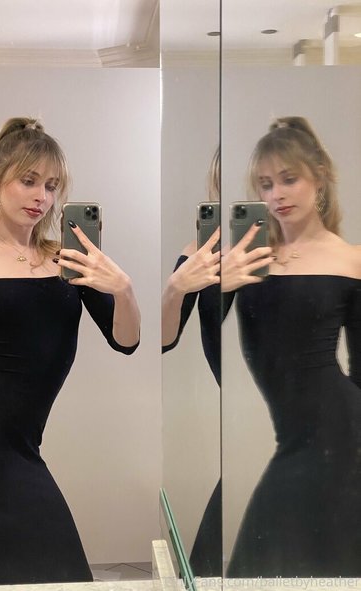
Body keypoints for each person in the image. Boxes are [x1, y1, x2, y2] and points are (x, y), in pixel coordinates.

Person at [0, 117, 141, 587]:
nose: (42, 196)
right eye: (29, 180)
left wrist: (123, 289)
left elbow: (126, 341)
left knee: (65, 578)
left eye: (52, 186)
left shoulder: (68, 260)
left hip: (21, 448)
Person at [223, 116, 361, 577]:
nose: (276, 195)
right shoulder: (249, 259)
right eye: (265, 184)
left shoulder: (351, 260)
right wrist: (217, 284)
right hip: (295, 435)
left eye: (288, 179)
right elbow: (205, 345)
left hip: (340, 433)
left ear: (318, 177)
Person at [161, 147, 222, 577]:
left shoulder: (298, 255)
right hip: (244, 429)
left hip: (315, 422)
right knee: (203, 571)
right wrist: (176, 288)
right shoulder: (200, 256)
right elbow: (163, 341)